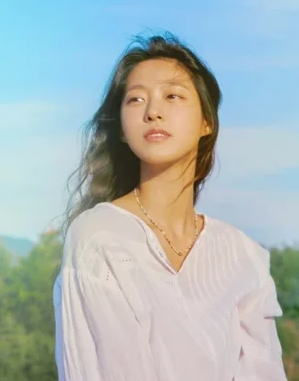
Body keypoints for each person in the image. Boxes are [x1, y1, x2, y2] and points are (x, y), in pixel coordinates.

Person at [53, 33, 287, 381]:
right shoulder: (99, 238)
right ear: (122, 129)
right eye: (135, 99)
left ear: (207, 121)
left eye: (173, 95)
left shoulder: (243, 256)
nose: (153, 112)